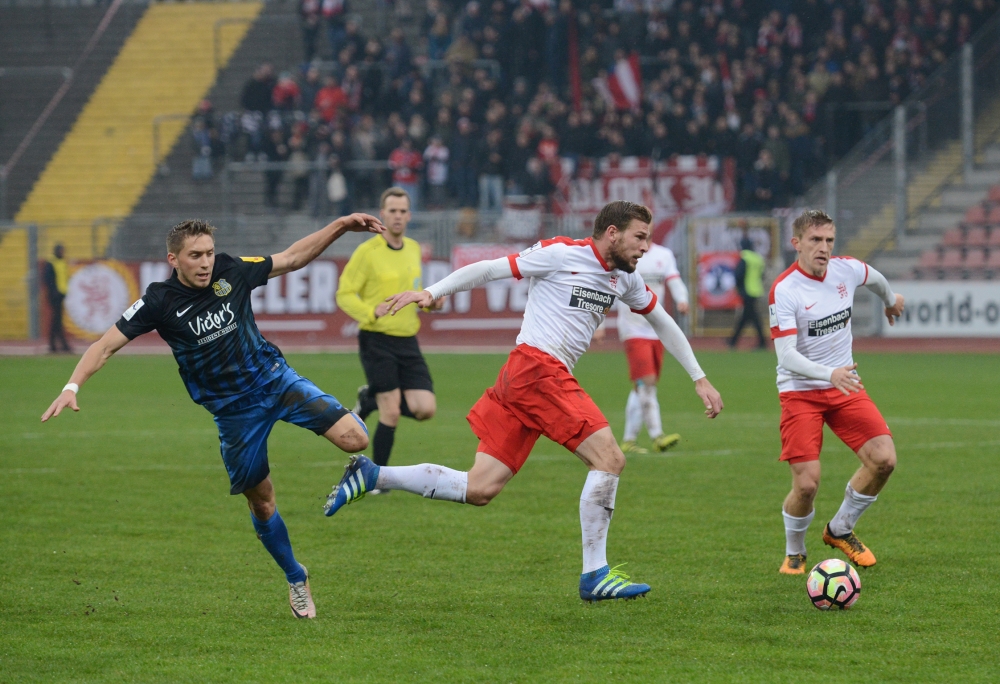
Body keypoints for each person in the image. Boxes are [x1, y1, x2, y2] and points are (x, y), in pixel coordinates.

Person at [325, 201, 724, 601]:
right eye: (640, 237)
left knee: (479, 488)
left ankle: (372, 475)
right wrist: (431, 292)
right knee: (611, 459)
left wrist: (699, 378)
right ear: (613, 233)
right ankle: (595, 575)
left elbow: (662, 321)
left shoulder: (624, 279)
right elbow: (489, 269)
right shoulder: (562, 253)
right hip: (537, 369)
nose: (645, 248)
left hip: (530, 380)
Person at [41, 215, 384, 618]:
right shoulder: (158, 301)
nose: (205, 263)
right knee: (262, 502)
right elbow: (103, 346)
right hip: (233, 413)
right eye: (195, 256)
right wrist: (71, 386)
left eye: (207, 253)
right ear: (174, 259)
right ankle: (295, 577)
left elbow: (292, 258)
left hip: (275, 381)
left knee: (355, 440)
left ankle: (357, 465)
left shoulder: (231, 270)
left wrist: (341, 226)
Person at [769, 209, 904, 575]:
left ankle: (840, 529)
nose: (824, 248)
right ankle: (795, 551)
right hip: (801, 391)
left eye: (829, 240)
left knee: (884, 460)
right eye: (815, 240)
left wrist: (890, 298)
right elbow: (786, 355)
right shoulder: (785, 290)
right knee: (808, 484)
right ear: (796, 243)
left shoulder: (844, 269)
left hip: (843, 384)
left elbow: (872, 277)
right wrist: (829, 374)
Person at [336, 188, 442, 484]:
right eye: (392, 211)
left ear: (409, 215)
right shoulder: (367, 252)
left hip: (407, 340)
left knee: (425, 409)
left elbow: (417, 293)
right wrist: (371, 311)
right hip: (376, 339)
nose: (397, 216)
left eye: (403, 211)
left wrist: (432, 303)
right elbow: (344, 293)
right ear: (382, 214)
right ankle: (376, 481)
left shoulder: (413, 248)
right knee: (392, 411)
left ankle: (368, 398)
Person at [614, 242, 690, 455]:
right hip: (633, 329)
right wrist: (600, 323)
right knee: (646, 382)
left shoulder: (664, 255)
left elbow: (674, 281)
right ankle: (658, 436)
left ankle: (629, 441)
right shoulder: (622, 253)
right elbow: (608, 287)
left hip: (655, 328)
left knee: (644, 386)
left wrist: (682, 299)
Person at [730, 235, 767, 349]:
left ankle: (762, 342)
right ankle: (733, 340)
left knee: (751, 317)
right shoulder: (758, 258)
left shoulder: (745, 257)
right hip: (756, 289)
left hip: (747, 290)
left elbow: (739, 274)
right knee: (748, 316)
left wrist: (738, 287)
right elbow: (762, 275)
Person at [43, 243, 71, 353]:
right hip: (55, 296)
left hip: (61, 295)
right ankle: (58, 345)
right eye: (61, 250)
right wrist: (53, 292)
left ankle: (56, 345)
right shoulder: (51, 263)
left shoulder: (61, 261)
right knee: (56, 321)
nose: (62, 252)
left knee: (57, 321)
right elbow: (48, 280)